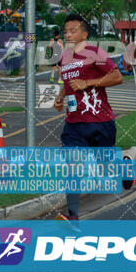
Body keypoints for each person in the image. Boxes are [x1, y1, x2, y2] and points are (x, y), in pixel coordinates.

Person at [54, 14, 124, 221]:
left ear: (84, 34)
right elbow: (67, 85)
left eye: (72, 30)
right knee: (72, 168)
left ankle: (125, 168)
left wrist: (88, 83)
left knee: (105, 169)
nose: (67, 34)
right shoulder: (65, 58)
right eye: (66, 30)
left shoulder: (95, 53)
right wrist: (60, 98)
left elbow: (117, 77)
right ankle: (72, 216)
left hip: (100, 122)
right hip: (74, 124)